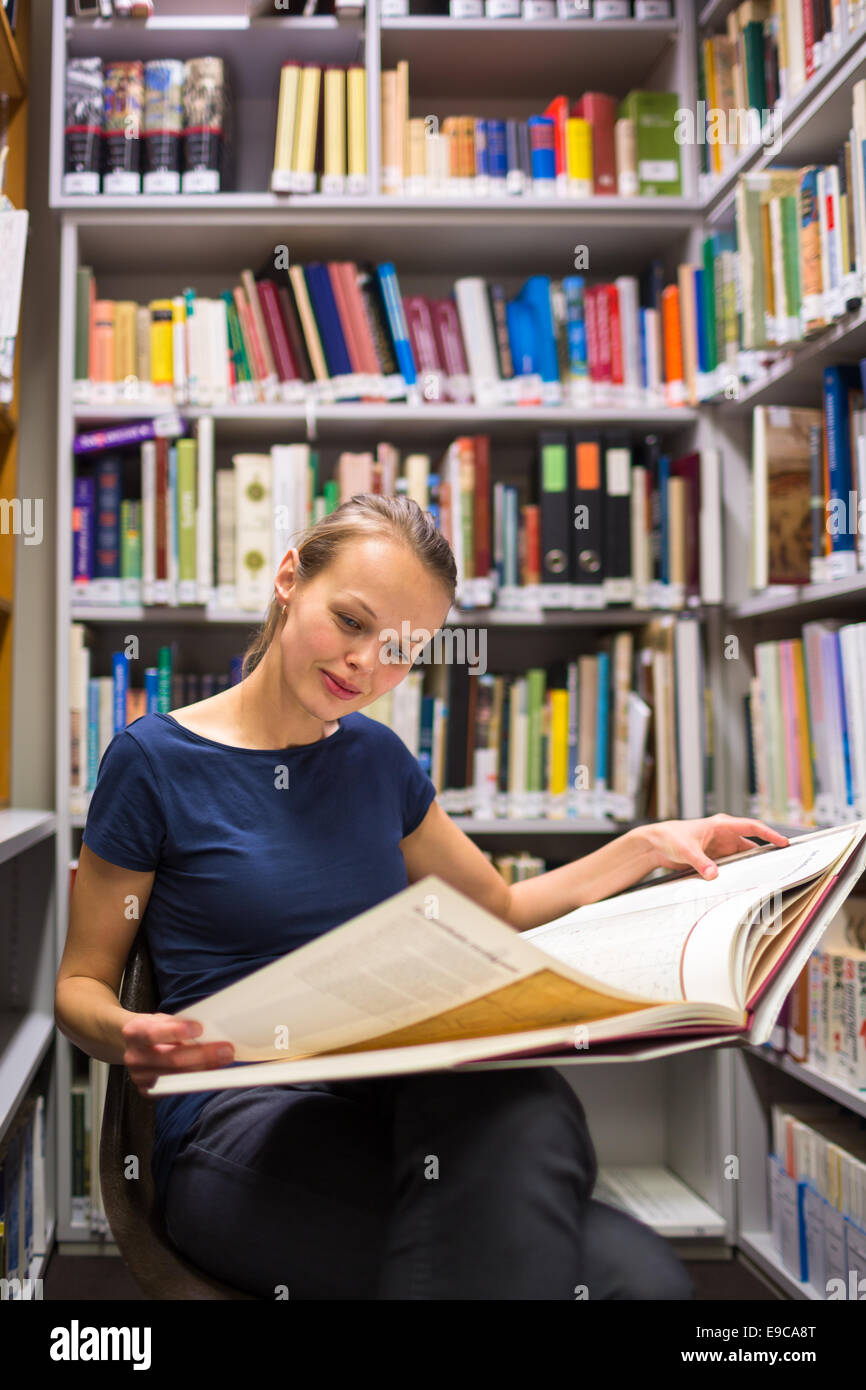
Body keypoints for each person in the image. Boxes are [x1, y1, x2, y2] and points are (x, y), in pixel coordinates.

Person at [56, 493, 787, 1300]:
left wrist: (651, 845)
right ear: (290, 578)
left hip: (389, 1100)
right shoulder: (154, 762)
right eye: (351, 621)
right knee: (614, 1279)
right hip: (238, 1126)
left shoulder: (377, 758)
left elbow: (497, 910)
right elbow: (78, 989)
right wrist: (131, 1034)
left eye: (401, 649)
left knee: (628, 1254)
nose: (365, 664)